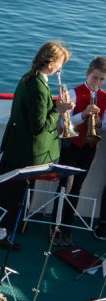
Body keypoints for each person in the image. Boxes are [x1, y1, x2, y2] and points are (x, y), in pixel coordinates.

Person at [0, 41, 73, 250]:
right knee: (13, 195)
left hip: (15, 145)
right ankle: (0, 234)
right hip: (27, 152)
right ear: (51, 64)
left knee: (3, 190)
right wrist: (58, 111)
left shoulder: (29, 78)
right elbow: (38, 126)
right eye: (60, 63)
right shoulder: (39, 88)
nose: (61, 68)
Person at [49, 56, 106, 244]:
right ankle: (55, 227)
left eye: (101, 79)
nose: (97, 83)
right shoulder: (73, 93)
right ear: (87, 74)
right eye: (95, 78)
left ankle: (67, 226)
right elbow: (64, 122)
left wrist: (99, 123)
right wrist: (83, 115)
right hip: (71, 146)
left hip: (89, 147)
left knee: (77, 188)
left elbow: (104, 124)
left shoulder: (104, 97)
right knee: (65, 187)